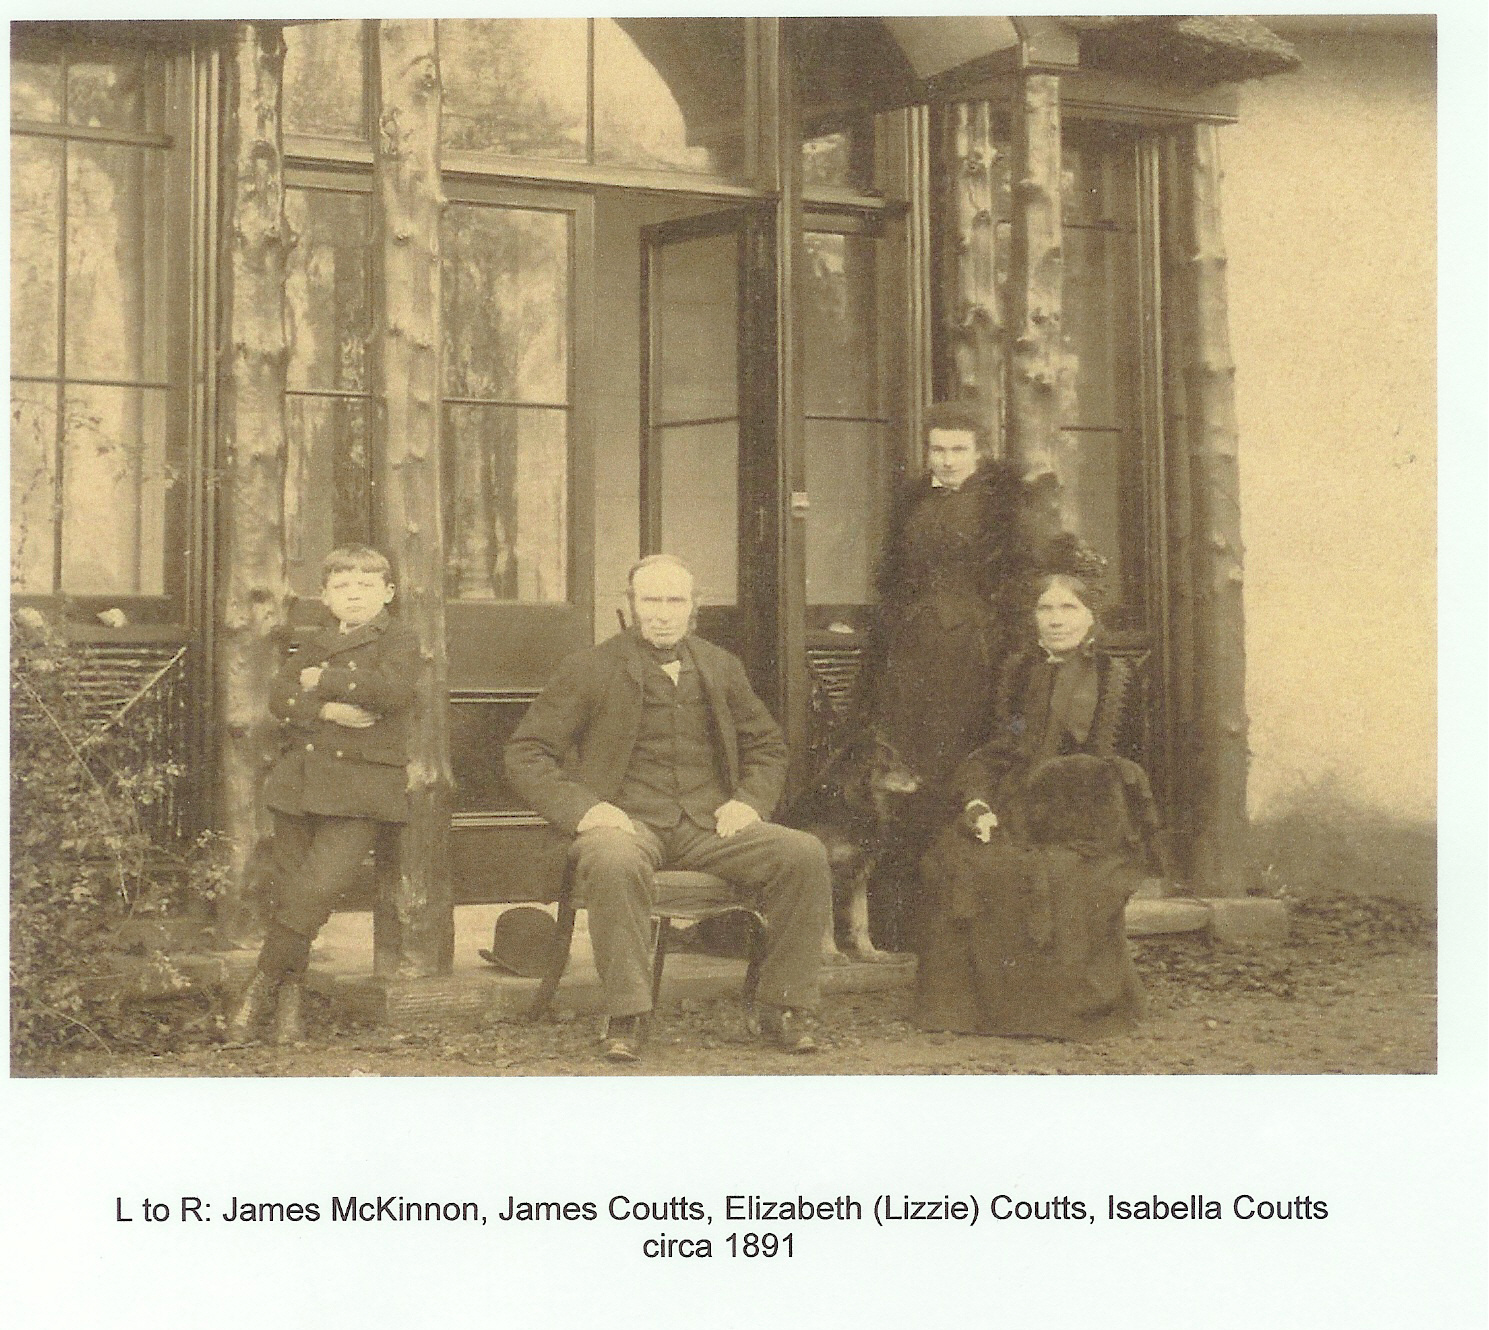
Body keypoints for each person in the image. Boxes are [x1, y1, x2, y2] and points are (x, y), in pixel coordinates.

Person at [504, 554, 832, 1062]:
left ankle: (786, 1006)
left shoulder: (721, 666)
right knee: (614, 859)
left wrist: (748, 803)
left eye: (674, 600)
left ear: (693, 606)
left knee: (804, 854)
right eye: (650, 600)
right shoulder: (590, 668)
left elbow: (767, 746)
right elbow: (526, 752)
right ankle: (626, 1014)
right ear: (631, 605)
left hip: (709, 826)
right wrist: (586, 810)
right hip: (625, 823)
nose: (661, 613)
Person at [912, 569, 1165, 1039]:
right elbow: (997, 750)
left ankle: (1059, 1010)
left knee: (1062, 873)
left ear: (1091, 616)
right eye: (1045, 608)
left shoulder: (1119, 679)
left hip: (1093, 818)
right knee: (962, 858)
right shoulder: (1017, 673)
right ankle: (980, 1010)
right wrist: (979, 803)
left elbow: (1130, 767)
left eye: (1069, 608)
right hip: (1017, 809)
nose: (1055, 619)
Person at [846, 401, 1059, 949]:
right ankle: (899, 923)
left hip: (974, 658)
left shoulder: (1005, 507)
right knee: (906, 770)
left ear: (979, 453)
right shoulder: (913, 503)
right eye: (937, 449)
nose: (946, 460)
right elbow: (895, 581)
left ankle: (956, 922)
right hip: (910, 657)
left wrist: (1004, 652)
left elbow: (1022, 584)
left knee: (956, 768)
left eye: (958, 450)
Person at [226, 546, 417, 1045]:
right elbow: (280, 696)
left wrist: (324, 681)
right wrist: (327, 709)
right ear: (326, 597)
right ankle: (290, 1005)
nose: (354, 595)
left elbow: (394, 691)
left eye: (366, 586)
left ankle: (259, 988)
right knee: (293, 891)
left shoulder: (398, 638)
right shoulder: (316, 642)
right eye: (342, 587)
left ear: (387, 594)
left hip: (362, 789)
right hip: (300, 785)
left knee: (316, 890)